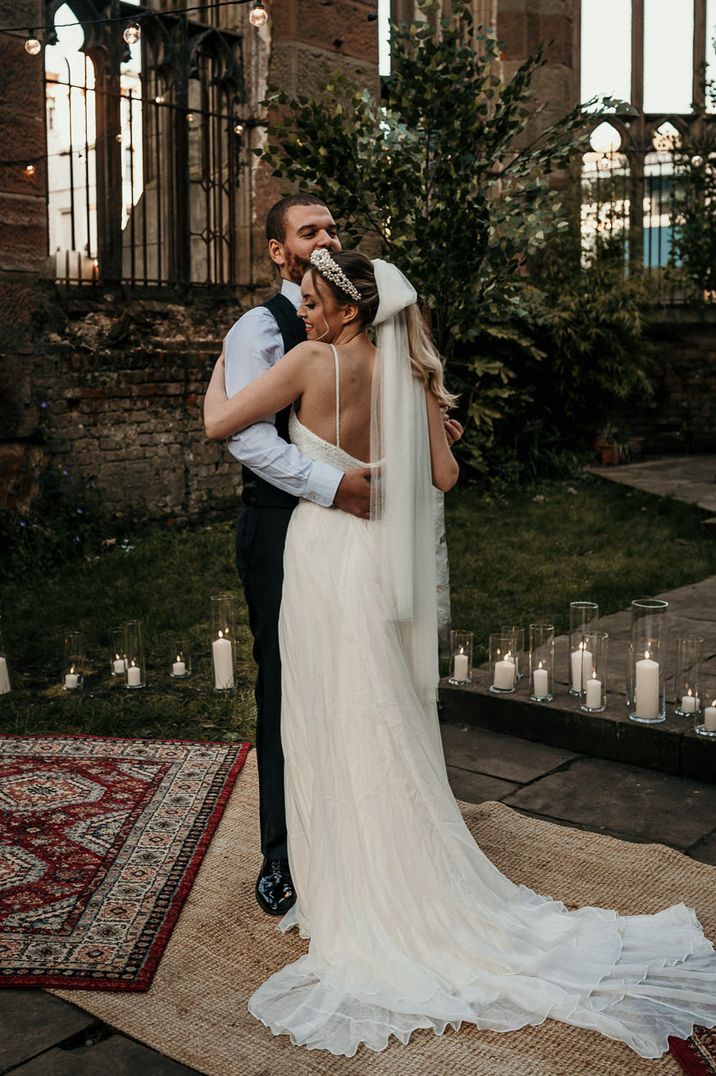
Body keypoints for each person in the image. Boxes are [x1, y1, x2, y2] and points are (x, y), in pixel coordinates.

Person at [205, 251, 716, 1059]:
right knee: (383, 712)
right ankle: (395, 867)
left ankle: (353, 890)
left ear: (345, 309)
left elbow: (218, 425)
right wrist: (433, 423)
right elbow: (444, 476)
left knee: (329, 711)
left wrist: (216, 370)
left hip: (322, 556)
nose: (302, 312)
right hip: (374, 565)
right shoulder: (409, 374)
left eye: (312, 300)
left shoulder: (309, 361)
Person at [221, 195, 372, 918]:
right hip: (281, 524)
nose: (325, 239)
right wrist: (331, 484)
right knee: (282, 687)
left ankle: (347, 832)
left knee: (345, 675)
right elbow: (246, 436)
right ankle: (281, 854)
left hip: (346, 532)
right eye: (309, 231)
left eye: (333, 229)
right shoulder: (262, 327)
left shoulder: (351, 322)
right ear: (279, 251)